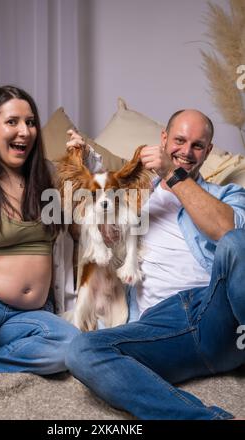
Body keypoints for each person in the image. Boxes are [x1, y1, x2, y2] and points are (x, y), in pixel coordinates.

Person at [65, 109, 245, 420]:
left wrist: (172, 175)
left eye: (197, 145)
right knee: (82, 350)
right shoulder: (133, 197)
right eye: (179, 140)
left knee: (237, 241)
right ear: (163, 139)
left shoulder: (225, 195)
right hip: (159, 328)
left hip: (216, 315)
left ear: (208, 151)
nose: (186, 152)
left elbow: (227, 233)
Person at [0, 85, 92, 377]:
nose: (24, 131)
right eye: (12, 122)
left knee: (71, 347)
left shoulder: (49, 178)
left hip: (33, 314)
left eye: (30, 122)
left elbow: (94, 200)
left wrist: (84, 160)